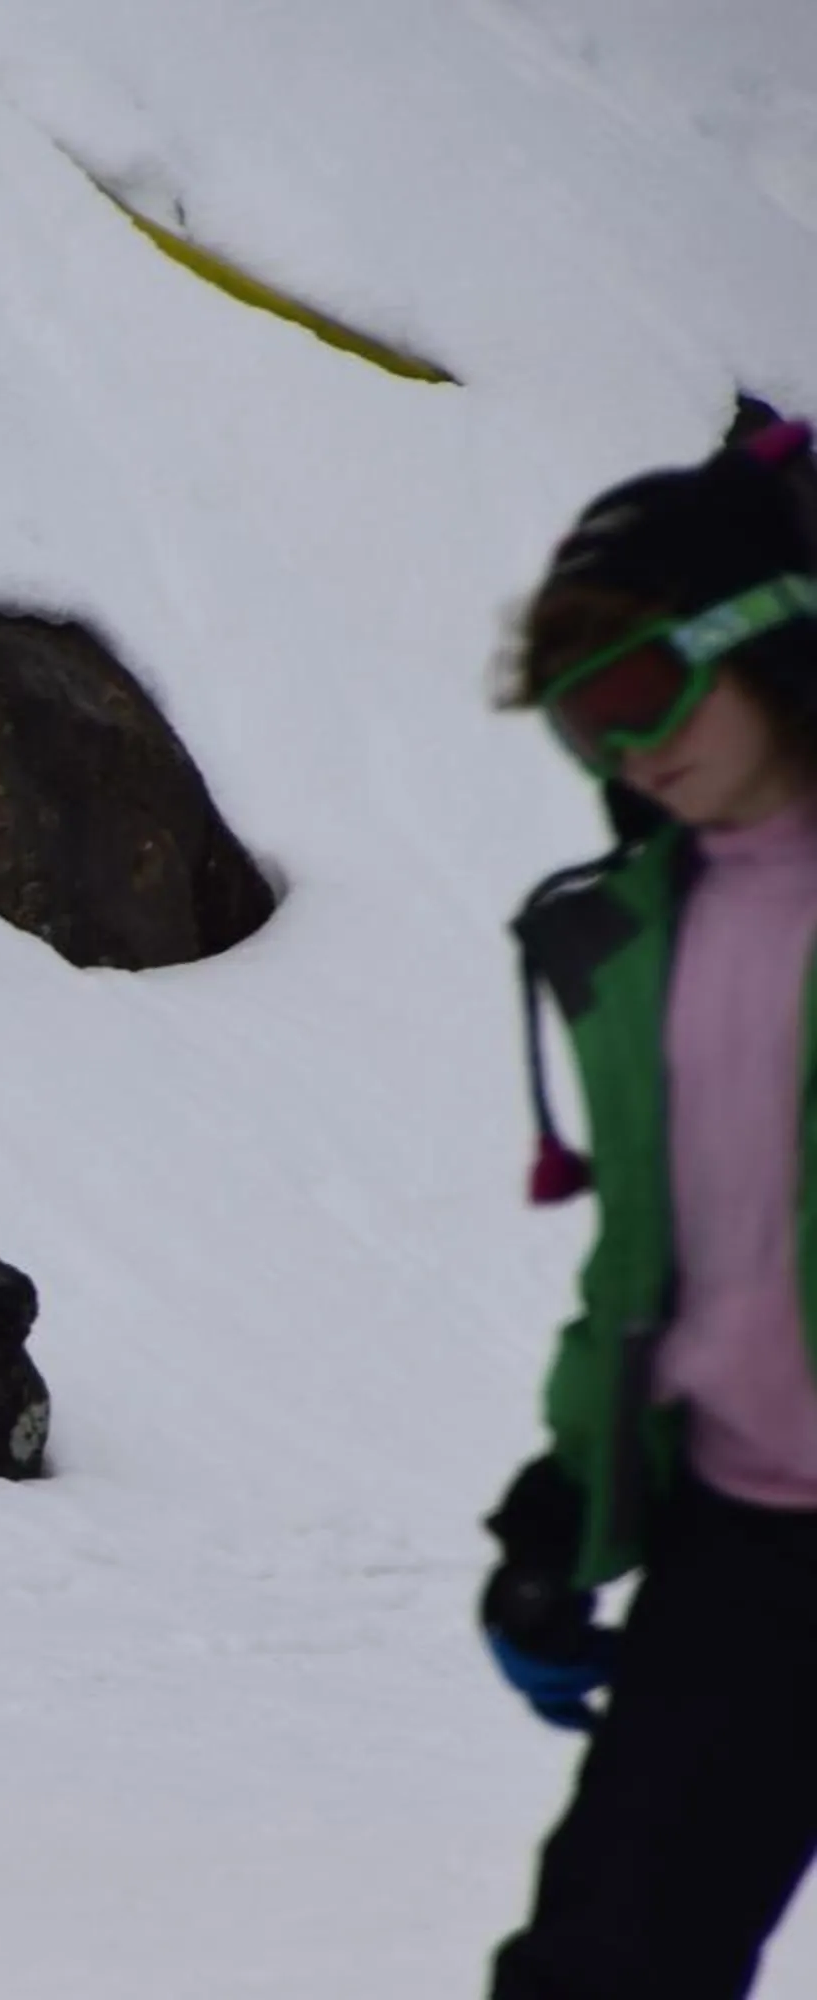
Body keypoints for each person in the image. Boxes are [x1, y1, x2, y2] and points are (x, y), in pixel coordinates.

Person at [483, 414, 817, 1997]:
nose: (624, 748)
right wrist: (567, 1499)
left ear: (763, 635)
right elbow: (662, 1255)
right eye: (578, 723)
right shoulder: (633, 933)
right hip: (746, 1538)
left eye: (639, 693)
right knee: (604, 1969)